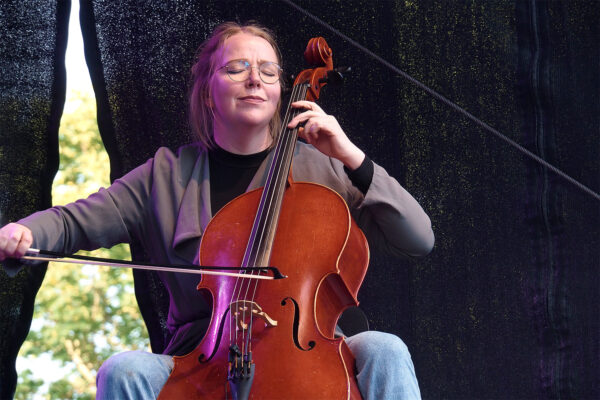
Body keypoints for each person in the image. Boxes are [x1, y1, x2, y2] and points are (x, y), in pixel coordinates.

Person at [0, 22, 434, 399]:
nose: (255, 80)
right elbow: (73, 221)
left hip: (314, 349)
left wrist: (352, 157)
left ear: (283, 89)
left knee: (385, 348)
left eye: (268, 71)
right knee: (124, 370)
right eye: (236, 68)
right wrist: (23, 232)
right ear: (208, 92)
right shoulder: (165, 176)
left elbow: (419, 238)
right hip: (202, 361)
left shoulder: (325, 166)